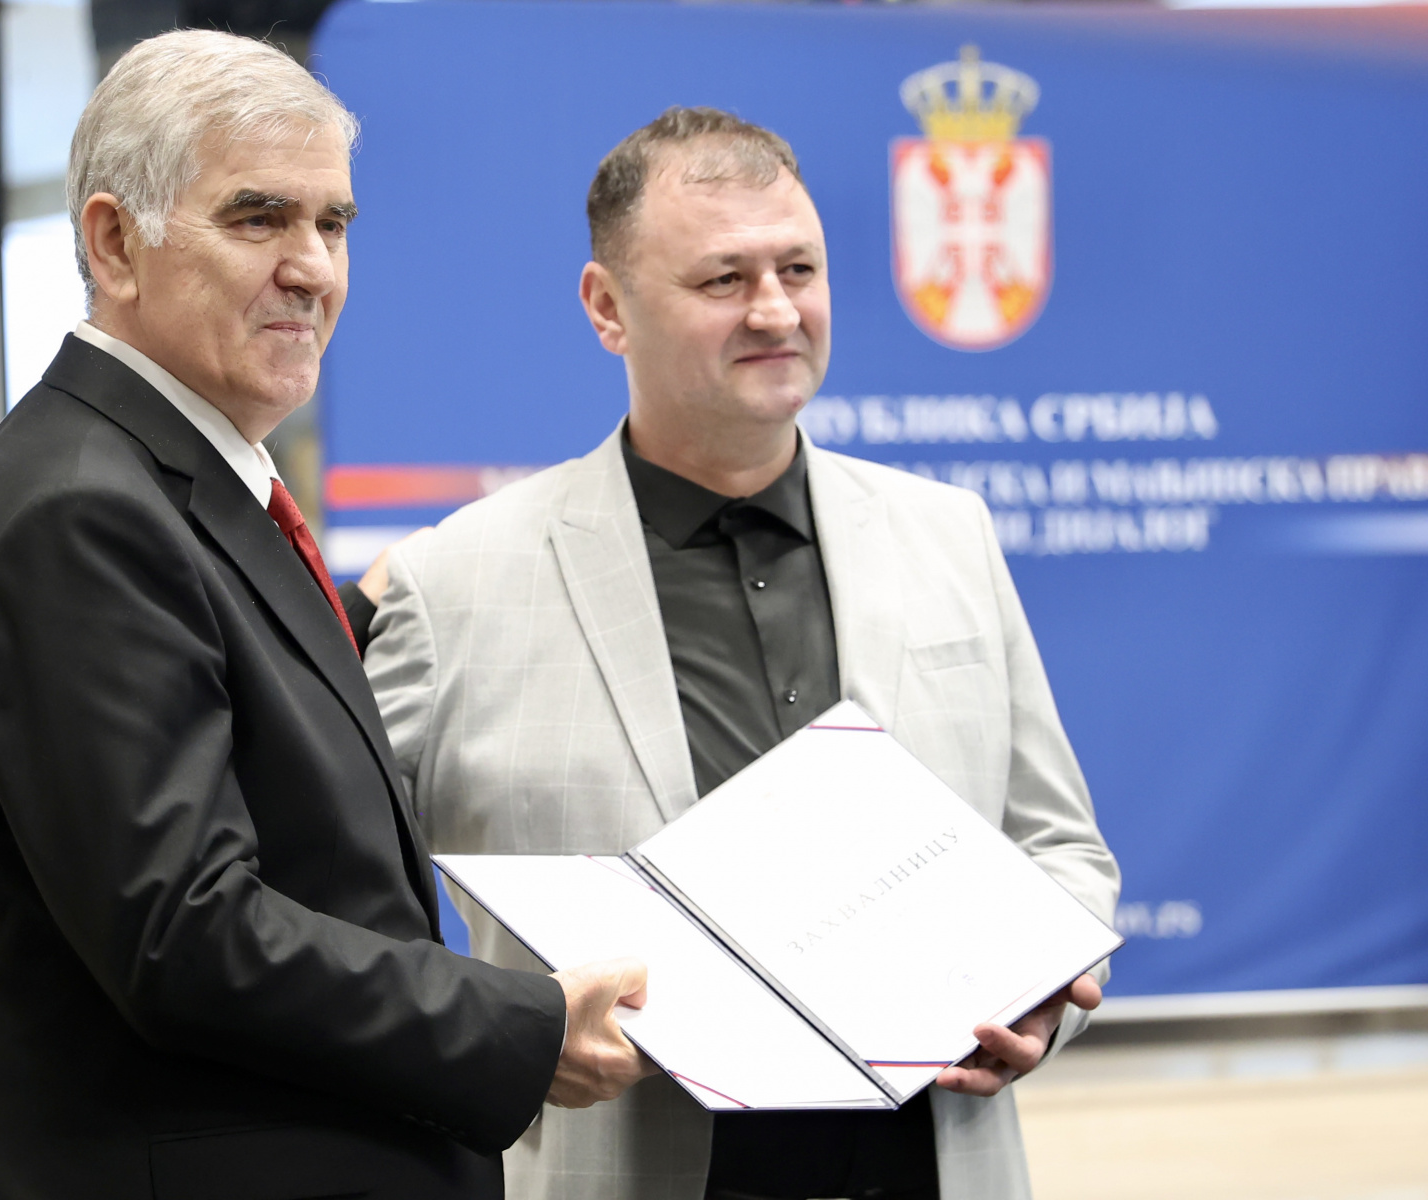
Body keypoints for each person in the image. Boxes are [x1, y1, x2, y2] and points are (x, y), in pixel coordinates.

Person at [0, 31, 653, 1200]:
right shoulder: (81, 516)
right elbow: (185, 932)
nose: (314, 269)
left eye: (333, 224)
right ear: (113, 242)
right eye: (258, 219)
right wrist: (520, 1027)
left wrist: (381, 605)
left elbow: (221, 690)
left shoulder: (165, 479)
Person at [357, 108, 1121, 1200]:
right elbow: (337, 896)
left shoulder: (948, 533)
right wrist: (493, 1040)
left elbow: (1060, 846)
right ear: (607, 308)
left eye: (797, 269)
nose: (775, 310)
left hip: (933, 1164)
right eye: (724, 279)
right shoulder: (454, 583)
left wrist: (1045, 993)